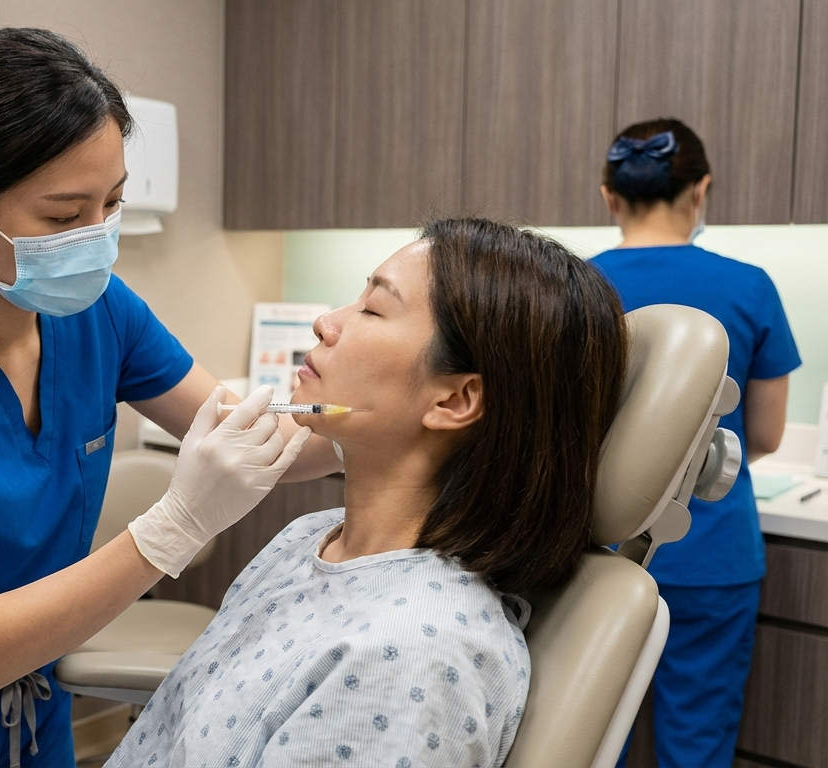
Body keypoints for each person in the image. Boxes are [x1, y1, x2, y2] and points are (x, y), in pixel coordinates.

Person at [0, 28, 340, 768]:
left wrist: (396, 427)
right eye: (62, 215)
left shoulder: (102, 312)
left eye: (111, 202)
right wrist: (175, 526)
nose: (96, 237)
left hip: (34, 708)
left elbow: (257, 435)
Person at [107, 218, 629, 768]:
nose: (324, 323)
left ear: (453, 401)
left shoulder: (412, 653)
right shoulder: (307, 539)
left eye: (373, 310)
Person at [591, 118, 801, 768]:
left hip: (592, 553)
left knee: (588, 735)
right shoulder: (749, 287)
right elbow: (762, 435)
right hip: (712, 554)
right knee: (698, 747)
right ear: (701, 190)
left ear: (608, 196)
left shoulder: (572, 286)